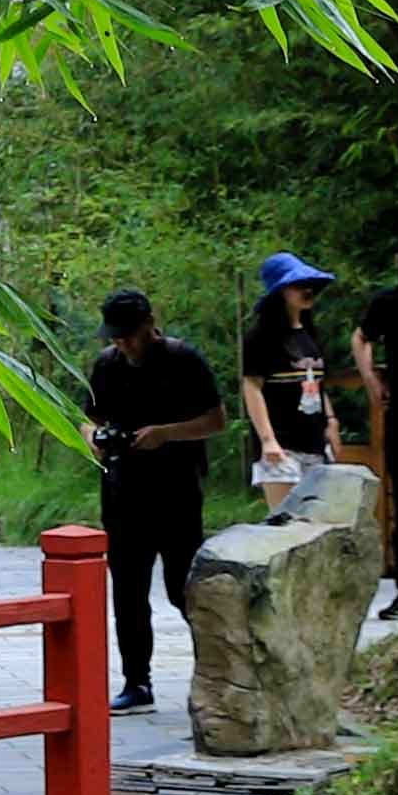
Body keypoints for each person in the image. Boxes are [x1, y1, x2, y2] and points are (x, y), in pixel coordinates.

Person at [80, 285, 227, 710]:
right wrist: (94, 438)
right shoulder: (107, 366)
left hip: (176, 490)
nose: (122, 342)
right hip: (122, 490)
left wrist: (164, 434)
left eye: (128, 333)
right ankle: (136, 682)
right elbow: (87, 419)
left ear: (149, 325)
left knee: (184, 588)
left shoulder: (183, 360)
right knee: (127, 590)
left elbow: (216, 420)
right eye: (115, 335)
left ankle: (214, 674)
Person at [236, 252, 374, 515]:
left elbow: (316, 383)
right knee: (285, 521)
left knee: (317, 521)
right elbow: (252, 387)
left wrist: (331, 421)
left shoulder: (309, 333)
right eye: (298, 285)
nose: (307, 290)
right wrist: (268, 440)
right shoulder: (260, 337)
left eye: (309, 284)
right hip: (281, 444)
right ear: (281, 292)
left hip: (314, 440)